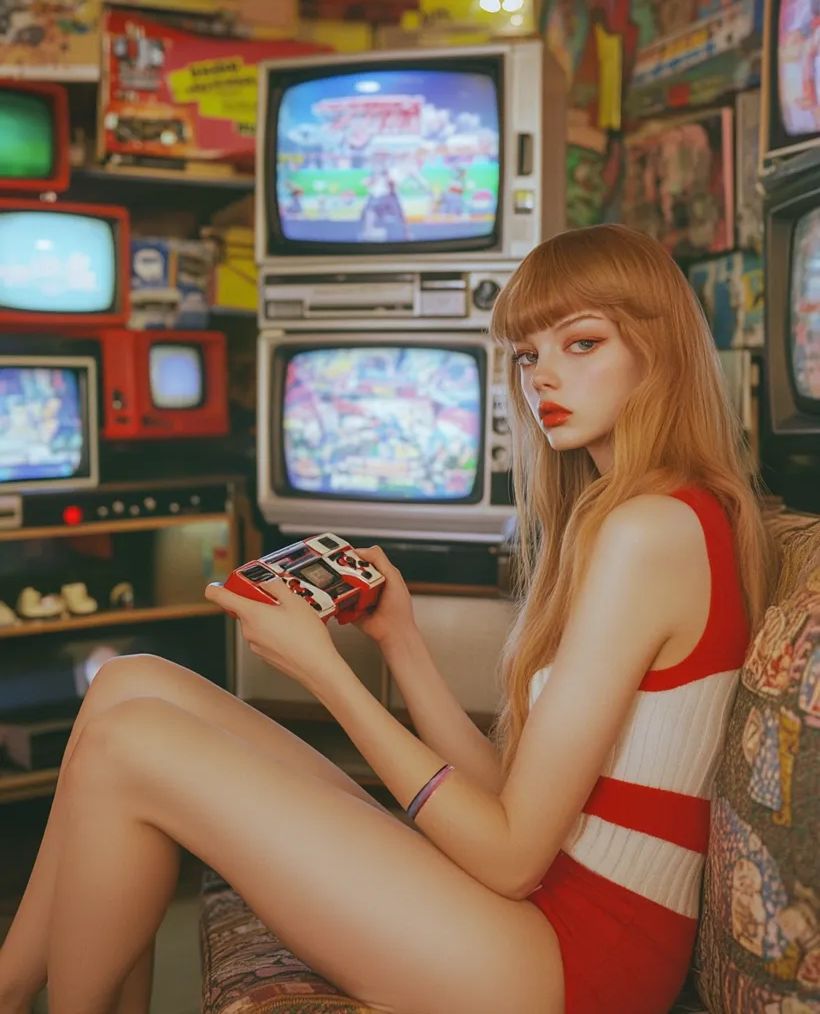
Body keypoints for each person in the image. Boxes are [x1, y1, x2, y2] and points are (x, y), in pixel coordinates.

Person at [0, 224, 775, 1014]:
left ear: (660, 350)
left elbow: (509, 858)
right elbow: (515, 798)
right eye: (527, 354)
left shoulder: (651, 530)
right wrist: (399, 640)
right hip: (533, 913)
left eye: (581, 344)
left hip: (573, 965)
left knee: (135, 745)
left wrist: (326, 672)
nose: (544, 376)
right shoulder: (633, 515)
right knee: (130, 686)